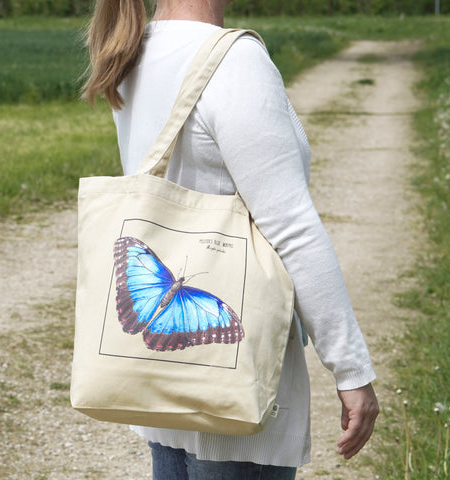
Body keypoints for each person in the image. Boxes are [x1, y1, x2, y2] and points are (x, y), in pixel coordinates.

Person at [82, 0, 379, 478]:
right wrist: (351, 369)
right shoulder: (233, 61)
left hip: (164, 383)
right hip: (234, 382)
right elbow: (292, 229)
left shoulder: (133, 49)